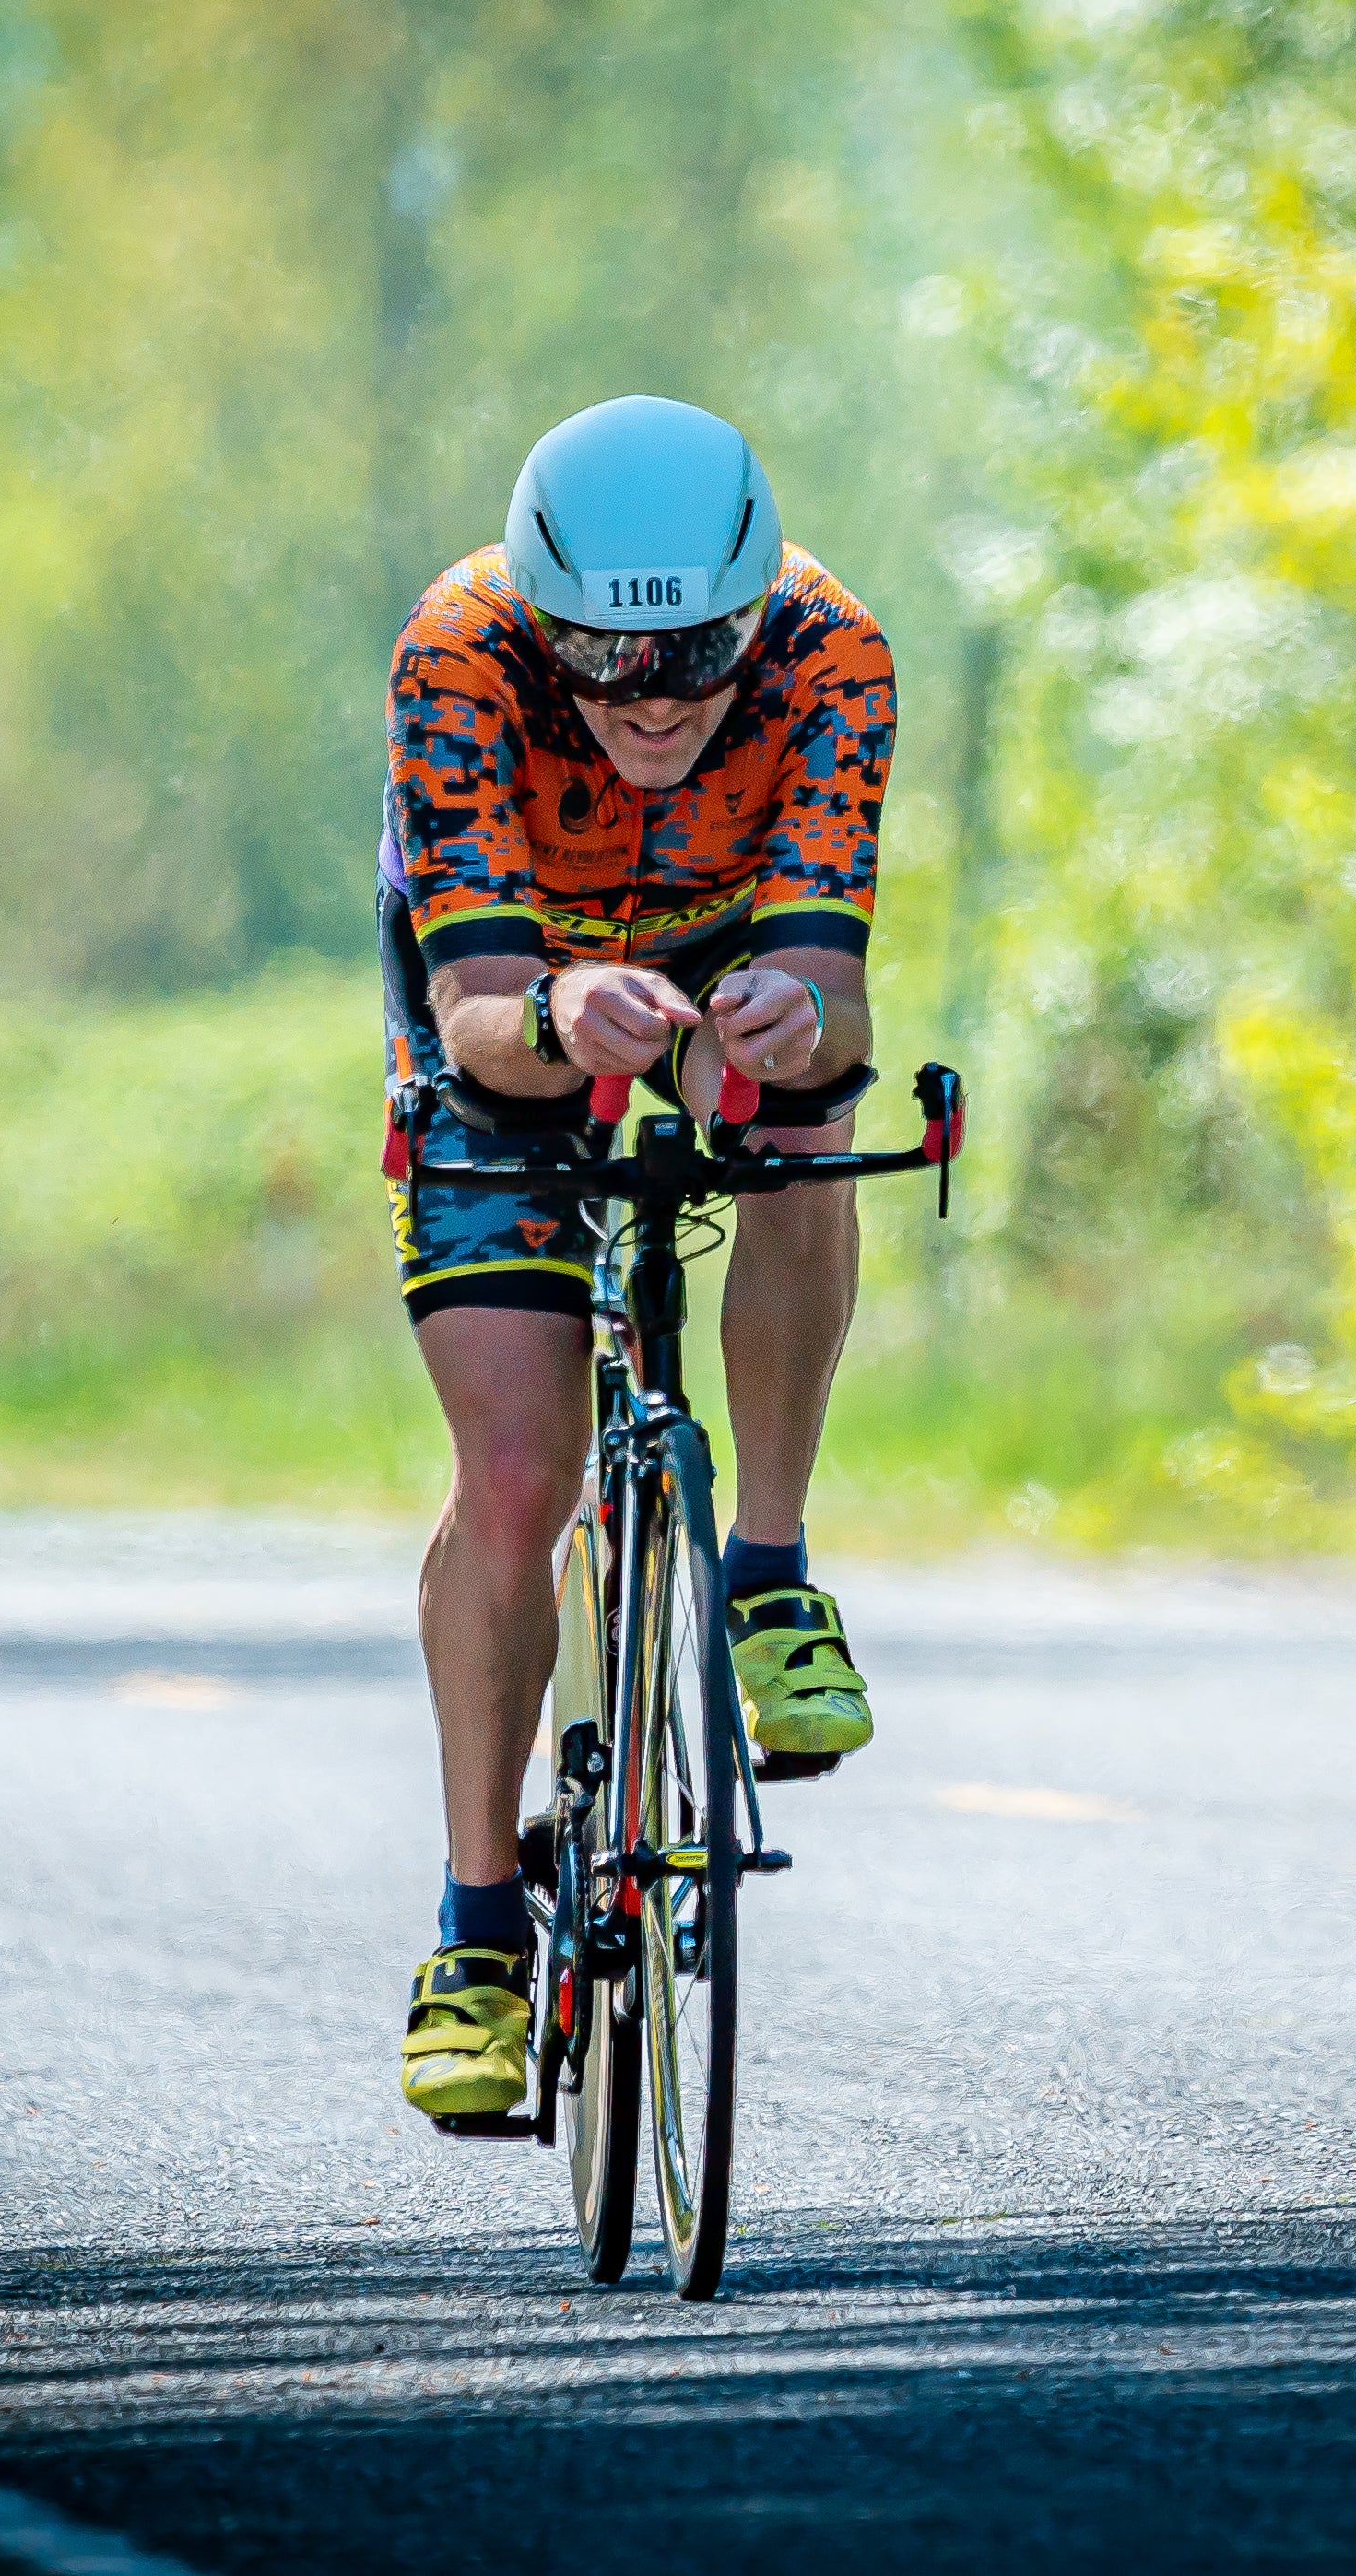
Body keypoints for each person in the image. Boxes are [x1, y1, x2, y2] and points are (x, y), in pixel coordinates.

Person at [373, 394, 894, 2123]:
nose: (654, 698)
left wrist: (795, 1015)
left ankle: (766, 1571)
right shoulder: (457, 655)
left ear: (760, 613)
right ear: (538, 618)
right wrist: (553, 1016)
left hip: (722, 957)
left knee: (801, 1108)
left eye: (696, 654)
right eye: (601, 655)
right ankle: (476, 1934)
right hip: (512, 983)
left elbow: (837, 995)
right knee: (519, 1475)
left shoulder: (833, 657)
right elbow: (474, 1016)